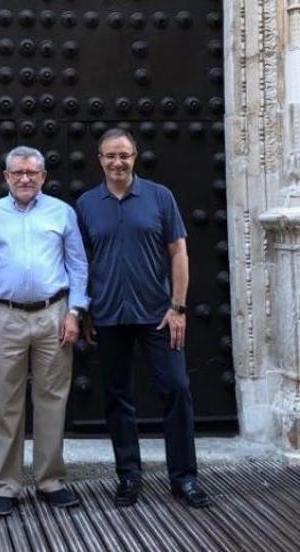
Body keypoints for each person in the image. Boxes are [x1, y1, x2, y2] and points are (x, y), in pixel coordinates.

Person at [74, 128, 210, 509]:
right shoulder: (86, 204)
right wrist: (84, 308)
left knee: (176, 389)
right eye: (110, 156)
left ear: (135, 156)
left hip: (158, 315)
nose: (118, 162)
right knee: (118, 397)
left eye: (124, 155)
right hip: (109, 314)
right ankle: (129, 476)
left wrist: (178, 306)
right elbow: (81, 260)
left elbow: (178, 253)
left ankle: (184, 478)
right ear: (99, 159)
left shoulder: (159, 197)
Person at [0, 145, 89, 518]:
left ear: (43, 177)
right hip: (5, 318)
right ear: (6, 176)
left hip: (53, 315)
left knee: (52, 399)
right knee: (6, 403)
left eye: (32, 173)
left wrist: (74, 311)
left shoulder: (62, 213)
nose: (24, 179)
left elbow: (78, 266)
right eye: (17, 173)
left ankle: (50, 480)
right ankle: (6, 485)